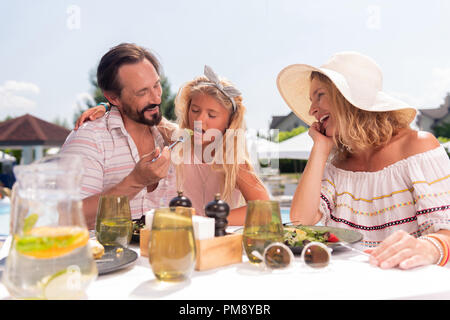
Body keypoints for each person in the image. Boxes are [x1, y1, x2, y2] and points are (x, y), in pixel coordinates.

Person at [277, 51, 450, 269]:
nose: (312, 110)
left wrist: (429, 248)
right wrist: (320, 148)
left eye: (320, 95)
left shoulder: (418, 147)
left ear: (348, 98)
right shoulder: (336, 167)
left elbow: (447, 231)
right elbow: (301, 220)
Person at [75, 66, 270, 225]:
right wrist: (107, 106)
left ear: (229, 122)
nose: (200, 120)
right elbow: (141, 108)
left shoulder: (232, 160)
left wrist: (206, 221)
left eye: (212, 115)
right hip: (180, 239)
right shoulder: (177, 138)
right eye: (195, 110)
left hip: (214, 240)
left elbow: (265, 209)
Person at [61, 43, 177, 229]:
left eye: (157, 86)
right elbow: (66, 216)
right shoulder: (90, 138)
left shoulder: (170, 137)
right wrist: (135, 182)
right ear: (114, 98)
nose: (156, 98)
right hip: (105, 256)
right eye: (142, 92)